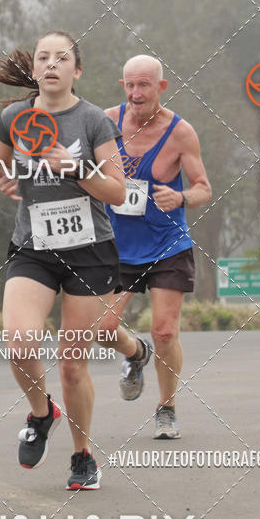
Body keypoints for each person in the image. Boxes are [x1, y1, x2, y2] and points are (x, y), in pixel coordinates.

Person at [0, 30, 149, 490]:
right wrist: (3, 178)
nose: (51, 64)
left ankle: (83, 456)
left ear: (76, 70)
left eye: (62, 58)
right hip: (33, 247)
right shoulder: (14, 117)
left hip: (90, 251)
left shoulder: (93, 120)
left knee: (71, 363)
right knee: (20, 344)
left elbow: (117, 191)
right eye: (43, 57)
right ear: (34, 69)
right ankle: (42, 414)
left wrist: (75, 168)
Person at [99, 54, 212, 439]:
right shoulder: (105, 123)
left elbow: (204, 188)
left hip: (167, 245)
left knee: (165, 332)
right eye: (130, 85)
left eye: (144, 85)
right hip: (118, 247)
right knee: (103, 328)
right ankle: (136, 353)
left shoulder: (180, 132)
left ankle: (166, 408)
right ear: (122, 86)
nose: (136, 93)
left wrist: (181, 198)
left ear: (161, 87)